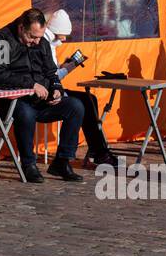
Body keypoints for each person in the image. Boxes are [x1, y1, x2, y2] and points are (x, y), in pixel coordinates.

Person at [0, 8, 88, 183]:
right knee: (26, 113)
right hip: (9, 102)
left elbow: (52, 73)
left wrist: (56, 89)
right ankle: (28, 164)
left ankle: (62, 162)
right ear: (22, 28)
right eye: (32, 37)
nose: (37, 42)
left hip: (39, 101)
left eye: (40, 37)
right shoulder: (2, 40)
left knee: (75, 106)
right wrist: (30, 84)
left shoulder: (41, 42)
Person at [43, 9, 116, 168]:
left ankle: (98, 150)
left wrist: (64, 66)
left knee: (90, 100)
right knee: (83, 103)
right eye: (63, 34)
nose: (64, 39)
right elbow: (53, 76)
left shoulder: (49, 44)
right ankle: (97, 151)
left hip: (52, 88)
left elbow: (52, 72)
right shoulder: (46, 45)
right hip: (49, 92)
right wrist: (70, 67)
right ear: (57, 31)